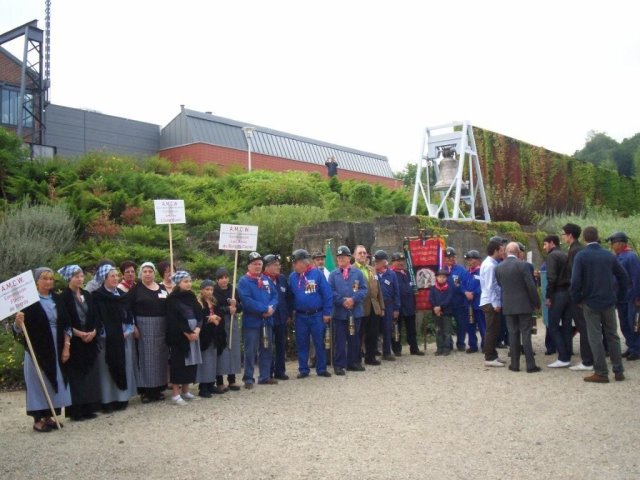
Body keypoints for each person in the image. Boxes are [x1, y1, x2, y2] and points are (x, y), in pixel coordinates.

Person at [14, 267, 71, 432]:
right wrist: (18, 323)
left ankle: (49, 415)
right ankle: (38, 419)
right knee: (38, 382)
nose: (48, 282)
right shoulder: (29, 302)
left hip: (56, 344)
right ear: (37, 281)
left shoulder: (57, 299)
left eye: (51, 279)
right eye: (45, 279)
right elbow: (18, 330)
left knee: (55, 380)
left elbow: (67, 324)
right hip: (37, 348)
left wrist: (66, 346)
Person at [570, 227, 629, 383]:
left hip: (590, 301)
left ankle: (601, 372)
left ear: (584, 238)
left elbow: (575, 282)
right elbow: (623, 276)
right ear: (598, 237)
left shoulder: (581, 256)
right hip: (609, 301)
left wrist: (577, 299)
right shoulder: (608, 255)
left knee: (595, 336)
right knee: (613, 336)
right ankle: (618, 370)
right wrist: (618, 296)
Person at [92, 263, 138, 412]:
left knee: (123, 365)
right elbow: (96, 319)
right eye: (112, 276)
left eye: (117, 275)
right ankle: (107, 400)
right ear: (104, 278)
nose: (115, 278)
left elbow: (129, 315)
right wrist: (108, 333)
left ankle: (122, 398)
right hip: (107, 340)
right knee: (106, 369)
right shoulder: (97, 297)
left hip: (123, 337)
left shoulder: (121, 295)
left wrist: (128, 330)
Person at [58, 265, 100, 421]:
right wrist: (78, 333)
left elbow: (95, 315)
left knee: (89, 375)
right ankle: (76, 410)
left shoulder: (87, 295)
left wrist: (94, 331)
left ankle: (89, 407)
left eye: (81, 276)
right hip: (75, 340)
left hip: (90, 338)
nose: (80, 279)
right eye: (76, 276)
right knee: (76, 376)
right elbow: (64, 320)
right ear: (69, 278)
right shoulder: (63, 297)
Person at [495, 242, 541, 373]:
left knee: (512, 334)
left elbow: (500, 284)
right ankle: (530, 365)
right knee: (526, 333)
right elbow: (531, 286)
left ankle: (514, 364)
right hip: (524, 304)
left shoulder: (499, 267)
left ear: (507, 252)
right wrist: (536, 302)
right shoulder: (523, 266)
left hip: (508, 305)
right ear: (518, 252)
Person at [288, 249, 333, 378]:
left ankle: (321, 368)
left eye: (295, 263)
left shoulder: (317, 274)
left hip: (317, 315)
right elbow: (290, 297)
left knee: (319, 341)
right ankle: (303, 369)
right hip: (300, 316)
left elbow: (327, 294)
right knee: (302, 342)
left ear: (303, 263)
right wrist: (290, 314)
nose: (293, 265)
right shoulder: (292, 277)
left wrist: (327, 312)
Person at [128, 262, 169, 403]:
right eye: (144, 271)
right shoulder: (136, 289)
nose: (147, 274)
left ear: (154, 273)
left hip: (161, 326)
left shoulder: (162, 288)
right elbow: (129, 308)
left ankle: (158, 389)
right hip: (143, 326)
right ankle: (145, 391)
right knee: (145, 358)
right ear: (141, 274)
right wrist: (133, 325)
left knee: (160, 358)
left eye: (150, 271)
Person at [237, 252, 279, 389]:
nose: (257, 266)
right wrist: (264, 309)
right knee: (250, 350)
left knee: (266, 348)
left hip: (267, 322)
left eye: (259, 264)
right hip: (252, 322)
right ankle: (248, 378)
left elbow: (275, 295)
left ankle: (264, 376)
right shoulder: (243, 281)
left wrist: (272, 307)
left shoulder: (266, 280)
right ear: (249, 266)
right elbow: (247, 301)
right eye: (254, 264)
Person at [328, 245, 368, 375]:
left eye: (343, 257)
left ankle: (353, 363)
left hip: (355, 312)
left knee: (354, 338)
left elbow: (363, 289)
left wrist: (353, 299)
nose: (340, 259)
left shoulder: (358, 273)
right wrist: (342, 301)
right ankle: (339, 365)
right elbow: (330, 292)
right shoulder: (333, 275)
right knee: (339, 340)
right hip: (340, 313)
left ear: (349, 258)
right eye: (338, 258)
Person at [165, 270, 203, 405]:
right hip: (179, 336)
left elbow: (200, 314)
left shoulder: (191, 296)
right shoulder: (172, 299)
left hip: (194, 332)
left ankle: (186, 390)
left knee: (192, 362)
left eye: (190, 281)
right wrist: (187, 333)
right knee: (179, 363)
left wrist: (197, 329)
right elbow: (173, 319)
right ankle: (175, 393)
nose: (189, 284)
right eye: (185, 281)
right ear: (178, 283)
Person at [562, 223, 594, 372]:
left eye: (564, 234)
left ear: (570, 235)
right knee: (584, 327)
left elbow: (576, 276)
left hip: (578, 296)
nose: (563, 237)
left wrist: (576, 297)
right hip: (583, 294)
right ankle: (589, 358)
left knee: (583, 327)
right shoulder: (579, 249)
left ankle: (587, 360)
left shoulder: (575, 251)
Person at [606, 232, 640, 361]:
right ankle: (631, 346)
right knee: (624, 323)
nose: (611, 246)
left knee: (633, 323)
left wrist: (638, 296)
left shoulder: (631, 257)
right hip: (621, 296)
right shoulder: (619, 256)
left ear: (620, 244)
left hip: (630, 296)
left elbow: (636, 277)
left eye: (613, 243)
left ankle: (636, 349)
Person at [542, 235, 573, 369]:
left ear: (552, 243)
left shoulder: (552, 257)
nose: (544, 247)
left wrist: (548, 296)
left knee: (553, 326)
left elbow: (551, 277)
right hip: (568, 293)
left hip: (558, 293)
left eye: (545, 244)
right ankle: (567, 354)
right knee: (566, 325)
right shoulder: (566, 254)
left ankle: (563, 357)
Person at [353, 244, 384, 366]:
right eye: (360, 253)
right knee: (359, 334)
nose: (362, 255)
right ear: (354, 255)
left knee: (373, 333)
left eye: (364, 253)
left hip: (374, 306)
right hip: (360, 306)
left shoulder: (372, 269)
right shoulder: (352, 270)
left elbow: (378, 289)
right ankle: (356, 357)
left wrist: (382, 306)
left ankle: (370, 357)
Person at [214, 267, 242, 392]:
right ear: (217, 279)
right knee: (221, 349)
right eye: (221, 278)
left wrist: (236, 307)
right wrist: (226, 309)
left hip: (233, 321)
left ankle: (232, 380)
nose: (224, 280)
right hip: (220, 322)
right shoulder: (214, 291)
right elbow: (214, 307)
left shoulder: (233, 290)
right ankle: (219, 381)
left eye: (226, 277)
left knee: (233, 349)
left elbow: (241, 306)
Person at [390, 252, 423, 355]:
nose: (400, 263)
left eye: (402, 261)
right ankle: (397, 349)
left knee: (412, 329)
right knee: (396, 329)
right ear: (393, 262)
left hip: (409, 305)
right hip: (398, 306)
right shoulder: (391, 274)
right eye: (398, 261)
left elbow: (412, 289)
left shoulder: (408, 273)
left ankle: (414, 348)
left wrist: (414, 304)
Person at [263, 254, 291, 381]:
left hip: (281, 317)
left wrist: (289, 314)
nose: (278, 267)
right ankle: (268, 372)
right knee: (267, 345)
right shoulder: (262, 280)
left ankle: (280, 370)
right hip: (268, 318)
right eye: (275, 265)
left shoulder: (282, 279)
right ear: (267, 267)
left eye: (278, 264)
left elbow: (289, 297)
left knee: (281, 344)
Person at [480, 240, 506, 367]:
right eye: (501, 250)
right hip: (490, 302)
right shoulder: (490, 265)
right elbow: (490, 286)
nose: (503, 252)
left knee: (495, 329)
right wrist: (496, 303)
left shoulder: (491, 263)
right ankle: (489, 357)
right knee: (491, 329)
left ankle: (493, 355)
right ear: (495, 251)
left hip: (490, 300)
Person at [196, 279, 222, 398]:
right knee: (205, 361)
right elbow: (198, 317)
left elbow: (219, 314)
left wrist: (217, 318)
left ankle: (211, 383)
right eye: (207, 289)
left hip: (214, 334)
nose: (210, 292)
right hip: (204, 335)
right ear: (202, 290)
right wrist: (209, 319)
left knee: (213, 360)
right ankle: (203, 386)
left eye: (211, 289)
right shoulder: (199, 303)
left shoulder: (214, 302)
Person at [374, 250, 400, 361]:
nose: (376, 263)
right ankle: (373, 351)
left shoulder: (392, 274)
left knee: (387, 329)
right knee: (374, 329)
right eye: (375, 261)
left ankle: (387, 352)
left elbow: (396, 292)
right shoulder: (373, 273)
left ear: (385, 262)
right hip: (375, 305)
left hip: (388, 305)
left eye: (378, 261)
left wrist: (396, 308)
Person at [443, 247, 469, 351]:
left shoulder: (461, 269)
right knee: (447, 325)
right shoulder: (441, 269)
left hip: (459, 302)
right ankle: (448, 343)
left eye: (452, 257)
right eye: (448, 257)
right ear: (444, 259)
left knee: (461, 324)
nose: (451, 259)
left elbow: (464, 283)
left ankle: (461, 343)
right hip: (446, 303)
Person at [461, 250, 485, 354]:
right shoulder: (467, 273)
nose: (469, 262)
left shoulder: (481, 272)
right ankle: (473, 345)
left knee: (482, 325)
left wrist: (474, 293)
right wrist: (465, 292)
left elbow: (483, 286)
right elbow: (461, 284)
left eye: (471, 260)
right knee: (470, 325)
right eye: (468, 260)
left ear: (478, 260)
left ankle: (485, 345)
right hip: (468, 304)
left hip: (478, 304)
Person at [430, 269, 454, 356]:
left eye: (444, 277)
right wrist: (435, 308)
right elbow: (431, 299)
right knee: (438, 331)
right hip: (436, 312)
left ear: (446, 278)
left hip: (446, 312)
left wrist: (440, 307)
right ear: (436, 278)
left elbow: (449, 299)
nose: (442, 279)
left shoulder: (449, 288)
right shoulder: (433, 288)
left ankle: (446, 348)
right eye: (440, 277)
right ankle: (439, 348)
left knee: (446, 332)